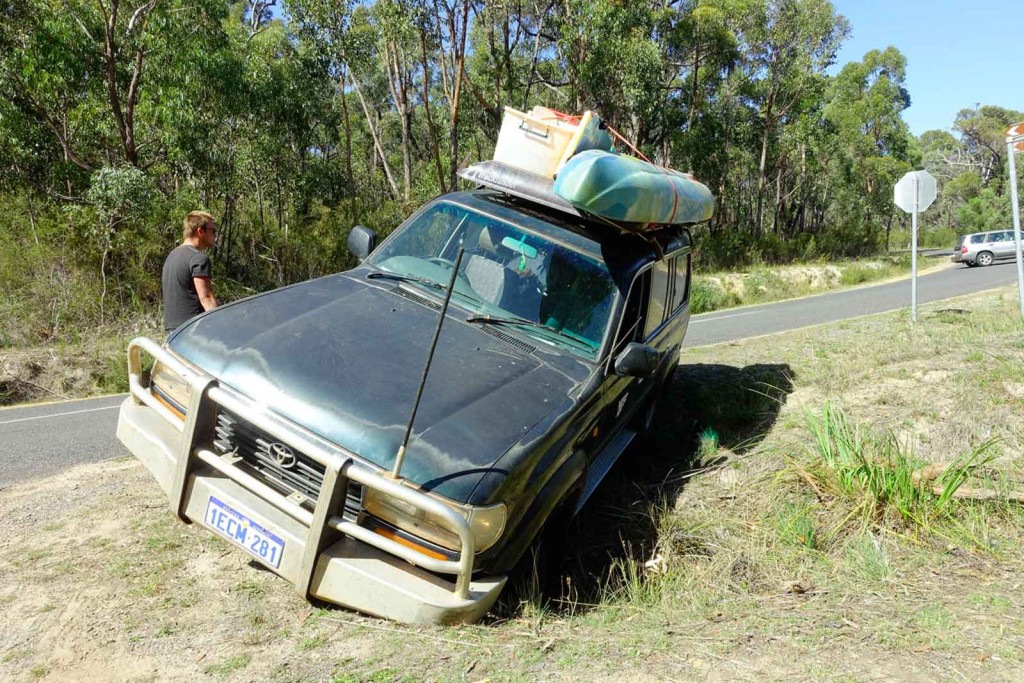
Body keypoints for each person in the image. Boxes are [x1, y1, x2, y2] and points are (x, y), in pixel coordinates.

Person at [162, 210, 218, 335]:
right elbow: (206, 298)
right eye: (213, 231)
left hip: (172, 331)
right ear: (200, 231)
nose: (215, 236)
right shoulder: (198, 258)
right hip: (192, 330)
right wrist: (220, 323)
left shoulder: (172, 255)